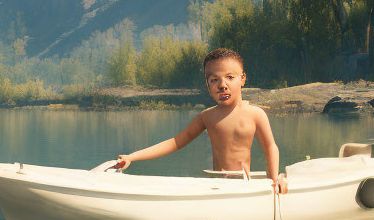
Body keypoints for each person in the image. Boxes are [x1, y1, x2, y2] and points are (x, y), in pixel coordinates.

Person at [113, 47, 288, 193]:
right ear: (207, 85)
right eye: (214, 80)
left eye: (230, 77)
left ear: (242, 79)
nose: (222, 85)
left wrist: (274, 179)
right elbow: (175, 142)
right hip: (215, 184)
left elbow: (270, 147)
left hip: (242, 186)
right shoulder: (207, 117)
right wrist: (132, 157)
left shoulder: (256, 114)